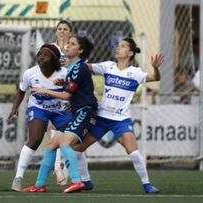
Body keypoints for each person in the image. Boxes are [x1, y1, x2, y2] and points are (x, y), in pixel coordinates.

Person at [73, 38, 164, 194]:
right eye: (117, 45)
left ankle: (147, 184)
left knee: (134, 153)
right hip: (101, 118)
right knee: (76, 150)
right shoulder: (108, 66)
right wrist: (73, 58)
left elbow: (156, 78)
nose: (117, 48)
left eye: (122, 46)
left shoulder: (135, 73)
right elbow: (85, 67)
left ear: (129, 53)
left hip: (120, 120)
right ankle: (86, 181)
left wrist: (155, 68)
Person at [22, 36, 97, 193]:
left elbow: (67, 96)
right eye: (68, 43)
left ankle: (77, 180)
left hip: (85, 111)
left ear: (80, 50)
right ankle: (39, 185)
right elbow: (76, 88)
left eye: (72, 44)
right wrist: (62, 84)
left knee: (64, 143)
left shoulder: (78, 68)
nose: (68, 46)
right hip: (77, 112)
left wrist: (46, 90)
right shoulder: (71, 67)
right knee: (52, 144)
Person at [9, 44, 71, 191]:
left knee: (72, 140)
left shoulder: (65, 73)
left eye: (46, 55)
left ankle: (76, 176)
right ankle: (18, 178)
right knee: (35, 139)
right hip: (39, 108)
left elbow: (75, 91)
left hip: (60, 110)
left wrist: (72, 103)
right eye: (39, 54)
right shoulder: (30, 73)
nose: (41, 57)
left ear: (54, 59)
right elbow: (21, 91)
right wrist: (14, 108)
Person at [51, 20, 93, 188]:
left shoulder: (77, 64)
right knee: (58, 141)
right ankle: (83, 179)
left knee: (67, 143)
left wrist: (45, 90)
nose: (62, 32)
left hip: (78, 107)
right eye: (59, 29)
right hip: (64, 104)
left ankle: (74, 177)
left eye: (65, 30)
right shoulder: (52, 50)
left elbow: (69, 91)